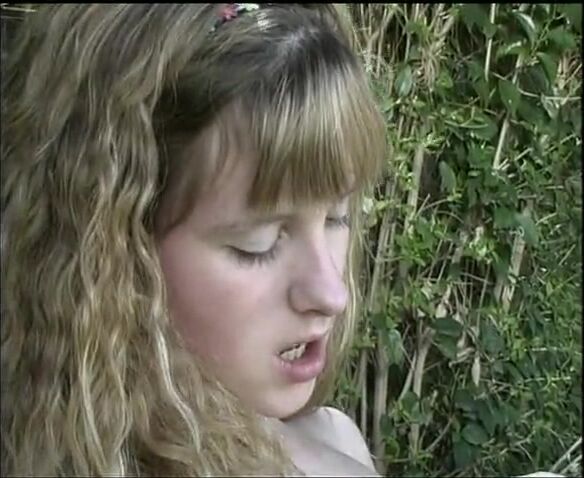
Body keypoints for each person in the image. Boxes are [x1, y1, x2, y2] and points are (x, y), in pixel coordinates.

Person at [0, 4, 387, 476]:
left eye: (337, 217)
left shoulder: (334, 437)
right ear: (117, 255)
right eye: (257, 242)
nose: (332, 294)